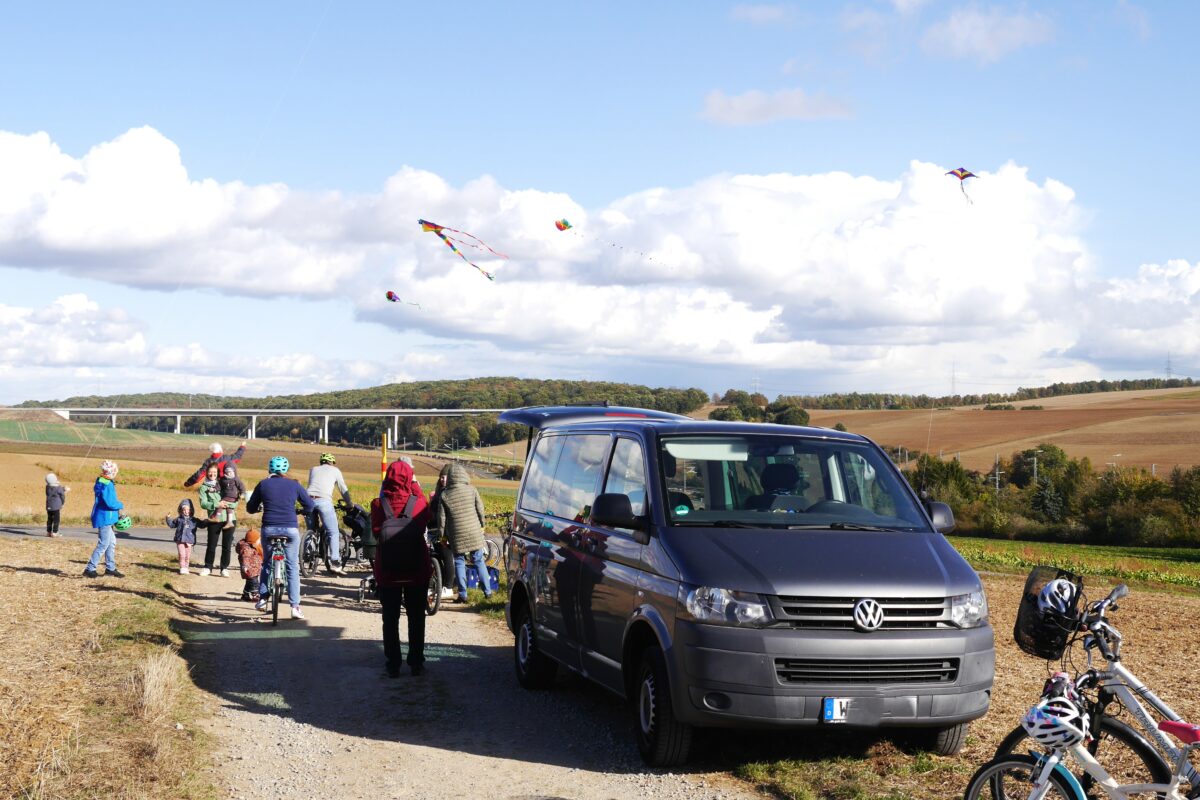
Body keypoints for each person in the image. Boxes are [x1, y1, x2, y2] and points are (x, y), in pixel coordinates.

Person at [370, 459, 432, 677]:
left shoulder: (379, 504)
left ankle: (393, 664)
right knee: (416, 616)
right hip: (417, 570)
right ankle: (416, 662)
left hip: (388, 571)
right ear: (409, 478)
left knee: (390, 617)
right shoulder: (419, 503)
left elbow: (377, 532)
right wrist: (414, 483)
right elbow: (427, 518)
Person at [247, 456, 314, 620]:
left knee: (267, 563)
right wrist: (301, 511)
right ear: (285, 470)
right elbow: (310, 506)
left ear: (270, 470)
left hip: (269, 529)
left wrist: (257, 508)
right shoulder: (294, 484)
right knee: (292, 567)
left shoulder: (263, 484)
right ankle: (295, 607)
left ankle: (262, 599)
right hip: (290, 530)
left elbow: (250, 507)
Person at [432, 462, 494, 603]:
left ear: (451, 478)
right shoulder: (472, 490)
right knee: (479, 561)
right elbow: (480, 509)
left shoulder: (445, 494)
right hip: (474, 531)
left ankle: (463, 594)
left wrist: (442, 536)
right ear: (463, 475)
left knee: (459, 562)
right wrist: (482, 525)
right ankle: (488, 592)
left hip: (456, 534)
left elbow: (441, 519)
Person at [306, 453, 351, 575]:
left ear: (321, 462)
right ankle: (335, 562)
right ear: (332, 462)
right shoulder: (335, 471)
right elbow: (343, 489)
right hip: (324, 501)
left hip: (308, 500)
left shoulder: (313, 469)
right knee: (333, 531)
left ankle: (306, 552)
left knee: (311, 529)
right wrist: (349, 503)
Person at [84, 460, 124, 578]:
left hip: (106, 517)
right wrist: (120, 505)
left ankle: (110, 568)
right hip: (105, 518)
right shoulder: (107, 484)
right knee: (103, 544)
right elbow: (110, 503)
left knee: (111, 543)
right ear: (112, 472)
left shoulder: (102, 481)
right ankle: (90, 568)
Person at [197, 466, 234, 577]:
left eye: (215, 472)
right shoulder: (203, 487)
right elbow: (203, 503)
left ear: (218, 473)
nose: (212, 474)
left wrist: (229, 504)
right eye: (210, 472)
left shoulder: (226, 483)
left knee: (227, 545)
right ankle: (208, 567)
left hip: (230, 518)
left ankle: (224, 568)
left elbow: (234, 498)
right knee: (211, 544)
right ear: (207, 473)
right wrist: (216, 504)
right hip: (214, 519)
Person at [165, 499, 201, 574]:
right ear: (181, 510)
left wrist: (208, 521)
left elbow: (202, 524)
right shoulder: (179, 519)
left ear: (191, 510)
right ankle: (182, 567)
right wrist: (168, 518)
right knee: (182, 554)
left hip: (189, 540)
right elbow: (172, 525)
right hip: (180, 540)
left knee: (187, 556)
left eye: (188, 509)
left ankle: (186, 567)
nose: (186, 511)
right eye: (184, 509)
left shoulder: (194, 520)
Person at [235, 528, 264, 602]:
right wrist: (245, 567)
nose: (259, 541)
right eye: (258, 539)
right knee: (254, 583)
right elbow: (245, 559)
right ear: (253, 540)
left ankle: (245, 595)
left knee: (249, 583)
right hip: (249, 570)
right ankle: (256, 595)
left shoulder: (254, 547)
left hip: (254, 569)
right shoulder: (247, 549)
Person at [45, 472, 69, 537]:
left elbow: (54, 491)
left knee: (49, 519)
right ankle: (55, 532)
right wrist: (62, 502)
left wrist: (62, 489)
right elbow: (62, 495)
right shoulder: (58, 487)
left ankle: (48, 532)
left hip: (49, 506)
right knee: (56, 520)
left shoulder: (47, 487)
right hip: (56, 507)